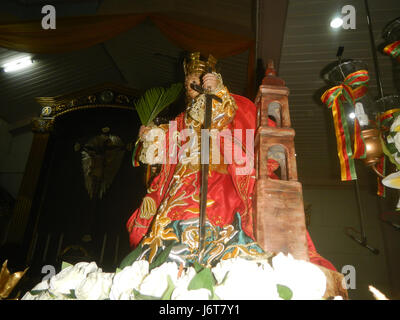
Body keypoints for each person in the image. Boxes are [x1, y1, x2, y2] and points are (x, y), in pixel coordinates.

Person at [126, 52, 336, 271]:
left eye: (197, 81)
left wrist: (215, 91)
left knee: (214, 208)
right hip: (182, 175)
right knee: (171, 213)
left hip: (216, 172)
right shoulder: (182, 119)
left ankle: (214, 250)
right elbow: (166, 146)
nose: (192, 86)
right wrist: (151, 135)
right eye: (189, 83)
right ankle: (170, 256)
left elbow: (223, 115)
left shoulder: (221, 99)